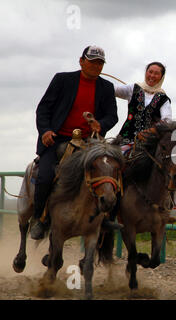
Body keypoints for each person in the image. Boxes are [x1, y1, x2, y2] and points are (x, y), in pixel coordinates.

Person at [30, 45, 118, 240]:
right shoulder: (62, 80)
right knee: (44, 177)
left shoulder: (106, 87)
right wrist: (45, 131)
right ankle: (39, 220)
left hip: (89, 143)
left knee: (109, 171)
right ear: (81, 61)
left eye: (100, 63)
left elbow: (112, 116)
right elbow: (43, 109)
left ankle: (105, 218)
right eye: (92, 61)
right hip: (56, 139)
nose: (96, 66)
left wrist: (99, 124)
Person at [115, 62, 176, 210]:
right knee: (112, 164)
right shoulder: (132, 89)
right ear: (146, 72)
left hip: (149, 143)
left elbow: (166, 120)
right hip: (125, 138)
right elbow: (112, 90)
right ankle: (112, 205)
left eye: (156, 73)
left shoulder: (163, 99)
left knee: (170, 165)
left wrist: (153, 131)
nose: (152, 76)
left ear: (161, 77)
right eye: (150, 72)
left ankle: (166, 206)